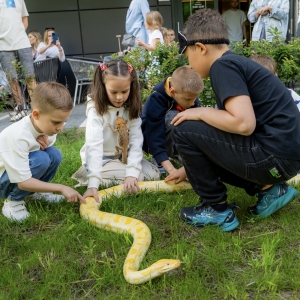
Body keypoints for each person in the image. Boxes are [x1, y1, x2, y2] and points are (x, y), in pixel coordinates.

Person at [165, 9, 300, 232]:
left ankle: (215, 208)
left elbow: (243, 124)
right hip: (285, 160)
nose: (189, 65)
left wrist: (200, 112)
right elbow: (226, 137)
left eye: (188, 57)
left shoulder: (222, 66)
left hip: (273, 158)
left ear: (200, 48)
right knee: (205, 128)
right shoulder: (235, 63)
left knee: (183, 127)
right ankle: (269, 189)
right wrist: (191, 168)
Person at [72, 59, 160, 203]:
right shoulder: (96, 110)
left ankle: (117, 176)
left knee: (153, 175)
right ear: (103, 86)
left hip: (122, 157)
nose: (120, 97)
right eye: (113, 92)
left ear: (132, 86)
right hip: (102, 159)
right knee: (139, 178)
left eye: (125, 91)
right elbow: (94, 145)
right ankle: (89, 177)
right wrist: (93, 184)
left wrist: (131, 173)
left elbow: (136, 142)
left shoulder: (131, 107)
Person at [0, 82, 84, 222]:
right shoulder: (17, 135)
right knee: (41, 159)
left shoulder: (46, 127)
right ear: (36, 114)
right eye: (57, 122)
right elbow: (23, 181)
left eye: (64, 122)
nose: (60, 128)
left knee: (54, 154)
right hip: (4, 180)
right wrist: (61, 188)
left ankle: (35, 193)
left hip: (19, 174)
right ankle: (13, 202)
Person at [142, 66, 203, 176]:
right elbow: (154, 135)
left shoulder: (188, 94)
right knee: (176, 117)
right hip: (152, 134)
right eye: (188, 99)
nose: (192, 103)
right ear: (172, 91)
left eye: (195, 99)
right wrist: (172, 171)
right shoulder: (156, 98)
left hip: (173, 131)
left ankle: (182, 158)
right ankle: (160, 160)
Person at [0, 0, 36, 120]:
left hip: (22, 43)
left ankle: (37, 108)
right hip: (4, 46)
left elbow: (24, 19)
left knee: (30, 77)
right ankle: (21, 109)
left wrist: (19, 33)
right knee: (12, 79)